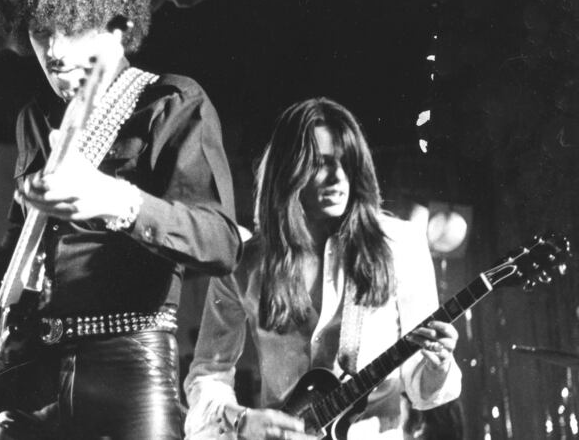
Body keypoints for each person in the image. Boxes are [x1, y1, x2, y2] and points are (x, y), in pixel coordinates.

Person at [0, 0, 241, 439]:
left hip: (130, 376)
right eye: (41, 32)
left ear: (112, 24)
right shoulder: (35, 120)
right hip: (37, 383)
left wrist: (117, 201)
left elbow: (221, 242)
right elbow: (19, 240)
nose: (56, 52)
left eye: (72, 27)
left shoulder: (170, 102)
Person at [184, 98, 462, 439]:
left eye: (346, 163)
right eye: (320, 163)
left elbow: (424, 392)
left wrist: (440, 362)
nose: (337, 177)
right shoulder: (243, 262)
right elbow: (208, 373)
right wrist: (239, 420)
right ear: (288, 171)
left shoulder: (400, 245)